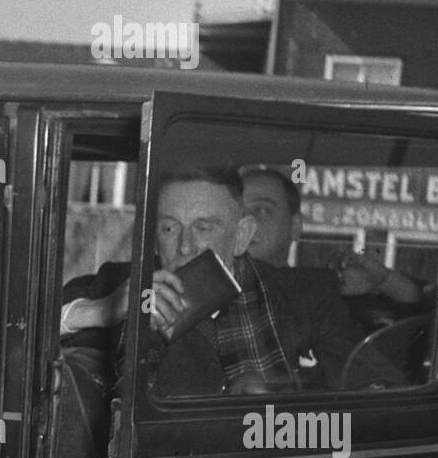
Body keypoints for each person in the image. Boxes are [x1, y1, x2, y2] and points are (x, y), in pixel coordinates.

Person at [59, 164, 390, 394]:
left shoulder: (306, 296)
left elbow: (377, 391)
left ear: (242, 235)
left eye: (204, 228)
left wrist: (284, 396)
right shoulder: (121, 285)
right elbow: (25, 331)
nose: (185, 245)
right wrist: (96, 311)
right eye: (169, 227)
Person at [240, 166, 430, 331]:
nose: (245, 222)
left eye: (262, 210)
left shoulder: (326, 298)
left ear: (295, 226)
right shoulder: (212, 293)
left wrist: (384, 280)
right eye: (238, 212)